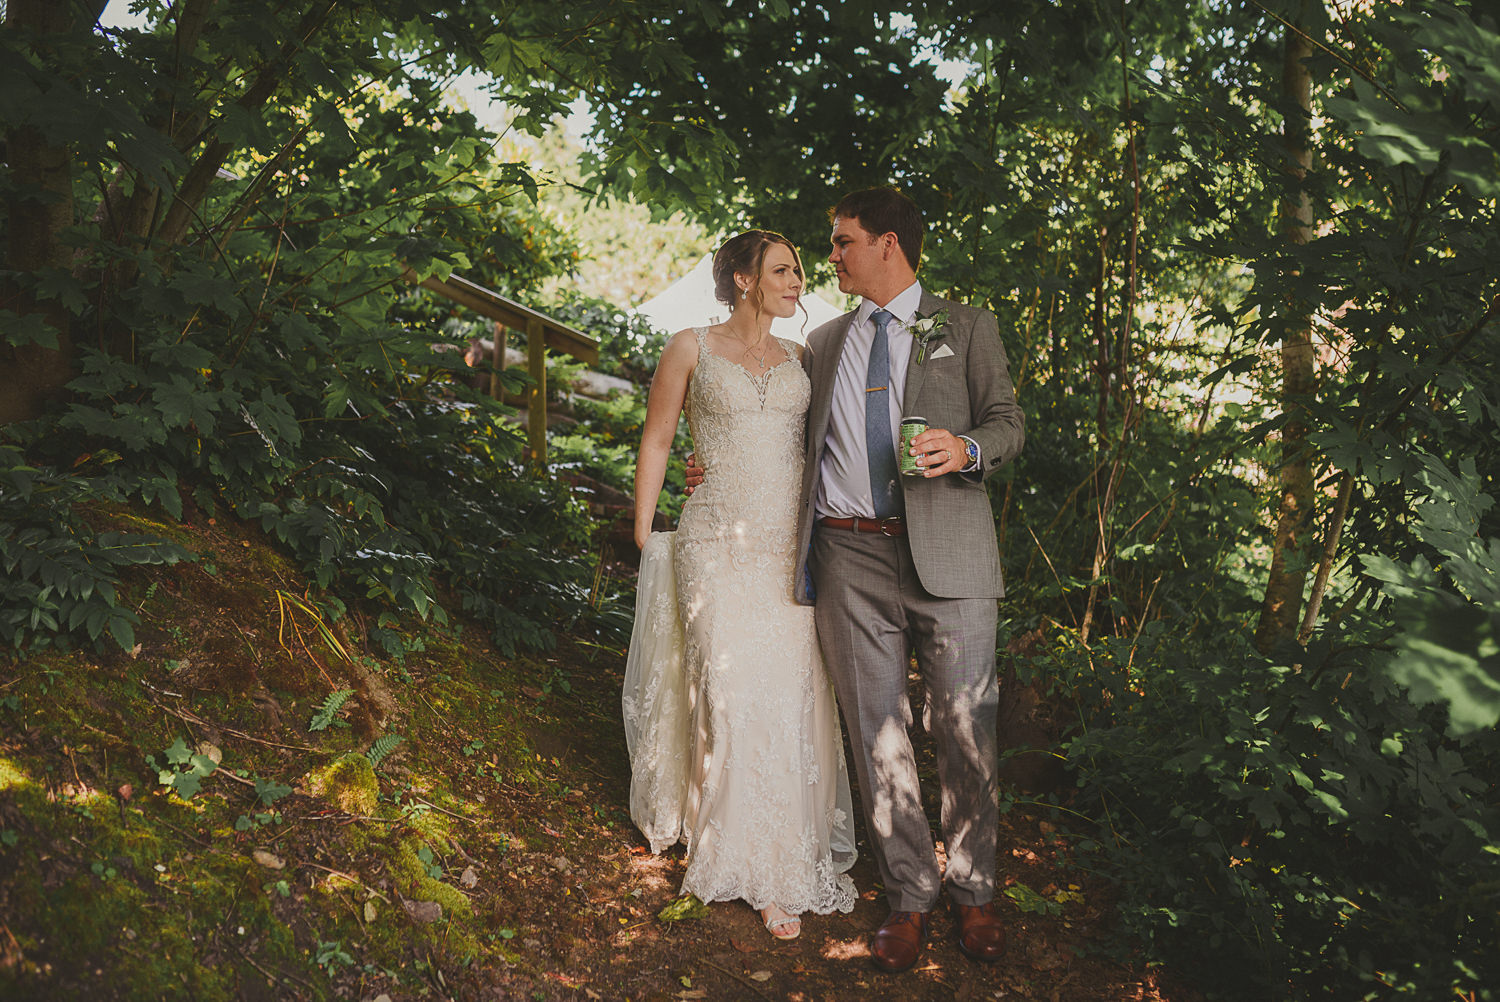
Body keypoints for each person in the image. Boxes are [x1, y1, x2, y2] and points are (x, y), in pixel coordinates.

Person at [689, 187, 1025, 972]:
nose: (829, 258)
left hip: (952, 555)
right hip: (848, 557)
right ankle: (909, 896)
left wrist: (966, 450)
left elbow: (1008, 423)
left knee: (966, 728)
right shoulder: (826, 344)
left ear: (888, 245)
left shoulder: (967, 326)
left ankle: (975, 892)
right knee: (876, 730)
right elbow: (775, 434)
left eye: (841, 243)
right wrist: (709, 464)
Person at [622, 230, 857, 942]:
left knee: (784, 695)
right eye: (785, 270)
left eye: (801, 271)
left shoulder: (803, 357)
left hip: (787, 551)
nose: (799, 281)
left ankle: (780, 851)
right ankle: (739, 858)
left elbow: (823, 450)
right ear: (746, 280)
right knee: (726, 690)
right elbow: (659, 438)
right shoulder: (690, 347)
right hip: (714, 540)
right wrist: (643, 531)